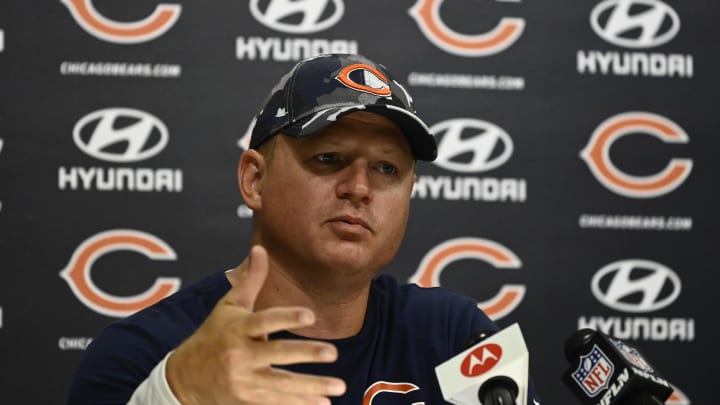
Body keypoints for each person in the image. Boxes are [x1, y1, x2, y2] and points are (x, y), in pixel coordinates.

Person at [67, 53, 540, 404]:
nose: (359, 187)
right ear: (255, 180)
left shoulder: (457, 335)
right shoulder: (143, 355)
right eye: (329, 159)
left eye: (387, 170)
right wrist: (173, 397)